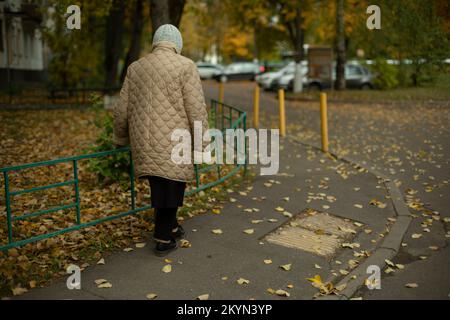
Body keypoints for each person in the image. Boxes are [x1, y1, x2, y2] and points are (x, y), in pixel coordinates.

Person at [113, 24, 209, 256]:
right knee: (173, 185)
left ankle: (172, 226)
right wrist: (202, 146)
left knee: (161, 183)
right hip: (176, 141)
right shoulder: (186, 66)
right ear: (177, 44)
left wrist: (120, 136)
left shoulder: (136, 68)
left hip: (144, 140)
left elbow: (121, 108)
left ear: (156, 42)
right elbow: (196, 110)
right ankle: (163, 238)